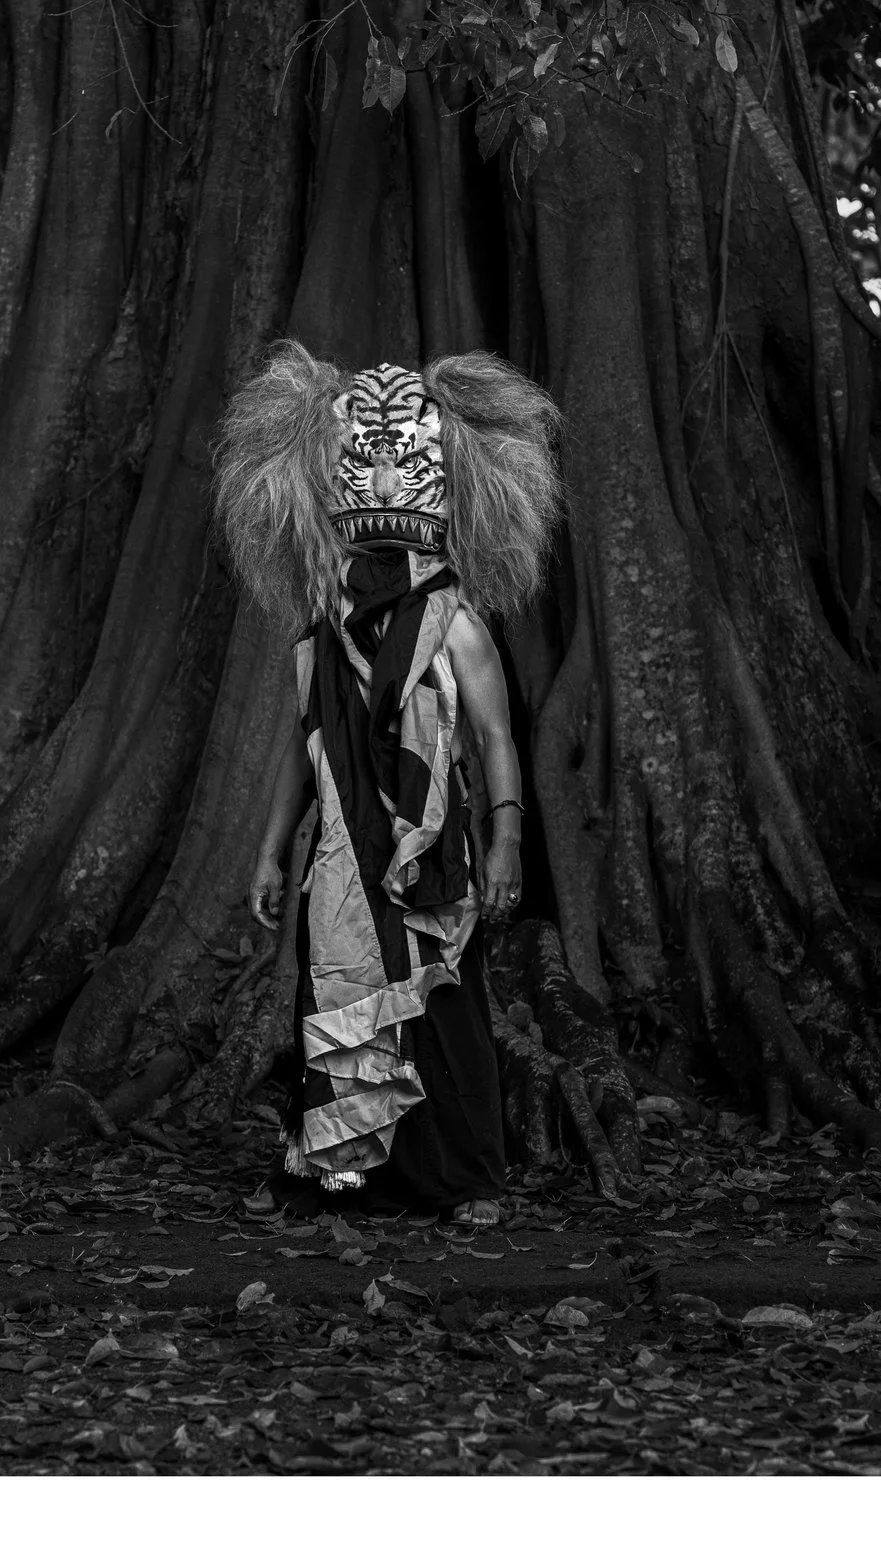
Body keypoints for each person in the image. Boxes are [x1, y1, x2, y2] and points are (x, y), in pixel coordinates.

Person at [214, 343, 563, 1227]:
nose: (376, 470)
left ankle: (462, 1178)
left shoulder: (457, 621)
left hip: (429, 852)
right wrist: (265, 847)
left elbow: (493, 736)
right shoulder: (320, 630)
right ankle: (342, 1173)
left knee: (443, 1010)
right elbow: (304, 745)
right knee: (333, 995)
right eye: (358, 458)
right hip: (339, 852)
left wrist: (508, 837)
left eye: (401, 457)